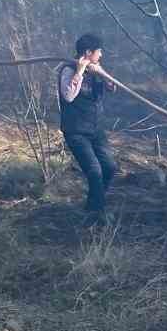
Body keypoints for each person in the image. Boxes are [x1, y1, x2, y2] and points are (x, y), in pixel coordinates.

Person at [59, 33, 118, 222]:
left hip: (96, 129)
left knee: (109, 167)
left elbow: (112, 88)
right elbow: (68, 96)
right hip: (76, 131)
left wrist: (104, 76)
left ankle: (92, 206)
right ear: (88, 52)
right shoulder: (68, 70)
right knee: (94, 171)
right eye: (98, 51)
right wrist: (80, 71)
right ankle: (98, 214)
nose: (101, 54)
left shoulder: (97, 69)